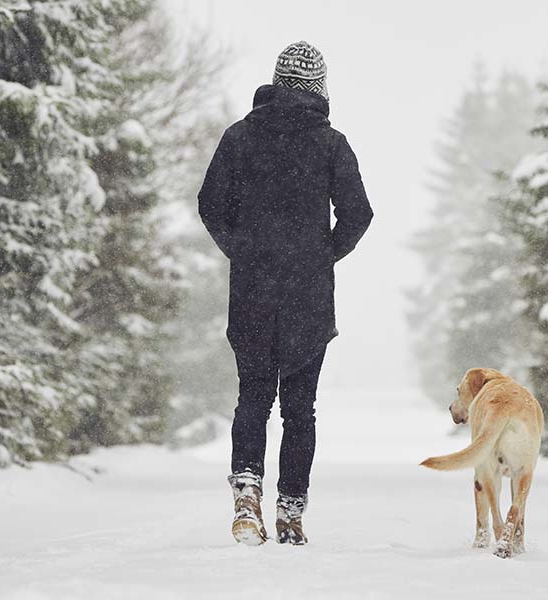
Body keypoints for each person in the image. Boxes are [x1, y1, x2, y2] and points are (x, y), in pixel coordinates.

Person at [198, 41, 373, 546]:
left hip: (252, 291)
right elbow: (358, 213)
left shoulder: (240, 137)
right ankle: (291, 513)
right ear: (318, 88)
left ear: (276, 82)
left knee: (252, 396)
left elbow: (211, 203)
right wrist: (321, 256)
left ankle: (246, 498)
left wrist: (243, 249)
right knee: (301, 408)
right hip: (308, 297)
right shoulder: (331, 144)